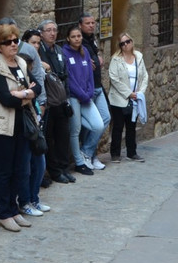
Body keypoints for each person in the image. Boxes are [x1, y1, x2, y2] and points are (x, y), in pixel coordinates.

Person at [0, 24, 38, 232]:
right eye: (8, 42)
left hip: (21, 123)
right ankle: (4, 212)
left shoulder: (21, 63)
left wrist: (22, 95)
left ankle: (14, 210)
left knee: (19, 169)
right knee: (3, 170)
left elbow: (37, 87)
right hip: (1, 125)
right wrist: (25, 95)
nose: (13, 45)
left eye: (15, 41)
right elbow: (6, 99)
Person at [61, 26, 104, 176]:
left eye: (79, 36)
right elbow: (70, 79)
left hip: (87, 96)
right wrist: (83, 95)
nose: (77, 39)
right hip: (74, 97)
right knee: (76, 130)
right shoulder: (64, 53)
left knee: (98, 125)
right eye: (73, 37)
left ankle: (85, 151)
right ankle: (79, 162)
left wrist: (90, 92)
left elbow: (89, 75)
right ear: (68, 38)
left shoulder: (84, 51)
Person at [35, 20, 75, 184]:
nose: (52, 33)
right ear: (41, 33)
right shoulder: (39, 52)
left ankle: (64, 168)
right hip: (48, 103)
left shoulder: (59, 50)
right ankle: (55, 171)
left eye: (54, 30)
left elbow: (64, 74)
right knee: (49, 137)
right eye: (48, 30)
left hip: (61, 100)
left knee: (63, 136)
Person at [16, 30, 49, 216]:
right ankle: (25, 201)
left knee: (40, 164)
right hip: (24, 126)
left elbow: (35, 91)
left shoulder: (32, 80)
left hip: (35, 124)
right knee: (26, 166)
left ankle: (34, 199)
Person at [107, 33, 149, 162]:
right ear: (119, 46)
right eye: (122, 43)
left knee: (131, 126)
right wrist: (128, 93)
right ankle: (115, 153)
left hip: (135, 98)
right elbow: (114, 79)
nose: (126, 45)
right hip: (119, 98)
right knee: (118, 126)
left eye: (128, 41)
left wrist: (139, 92)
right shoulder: (116, 59)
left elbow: (144, 76)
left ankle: (132, 152)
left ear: (132, 41)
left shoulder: (139, 57)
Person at [77, 13, 111, 169]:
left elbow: (96, 51)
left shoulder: (92, 39)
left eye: (93, 22)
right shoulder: (78, 42)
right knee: (92, 124)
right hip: (87, 89)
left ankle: (88, 152)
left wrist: (98, 54)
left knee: (106, 117)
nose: (91, 25)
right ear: (80, 25)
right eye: (87, 23)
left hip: (97, 86)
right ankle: (89, 153)